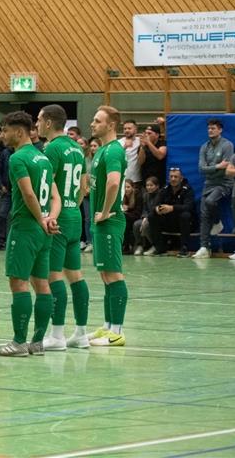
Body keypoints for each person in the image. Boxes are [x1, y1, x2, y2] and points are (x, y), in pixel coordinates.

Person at [0, 111, 57, 358]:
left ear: (18, 132)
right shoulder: (43, 159)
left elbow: (29, 194)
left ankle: (19, 342)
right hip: (43, 230)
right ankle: (37, 342)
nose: (2, 135)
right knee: (41, 284)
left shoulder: (18, 158)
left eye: (5, 130)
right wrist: (48, 219)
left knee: (18, 282)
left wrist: (39, 218)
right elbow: (52, 196)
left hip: (25, 227)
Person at [37, 104, 91, 351]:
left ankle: (57, 335)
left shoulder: (52, 149)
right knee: (75, 275)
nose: (36, 124)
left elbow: (46, 186)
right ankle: (81, 333)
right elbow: (83, 185)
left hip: (57, 217)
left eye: (39, 120)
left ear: (49, 123)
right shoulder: (77, 148)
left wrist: (48, 214)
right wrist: (72, 207)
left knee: (53, 275)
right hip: (74, 214)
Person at [88, 105, 130, 347]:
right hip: (101, 223)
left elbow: (114, 183)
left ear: (111, 125)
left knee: (114, 274)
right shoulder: (102, 151)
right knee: (105, 275)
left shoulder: (113, 151)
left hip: (110, 221)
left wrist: (105, 212)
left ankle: (117, 332)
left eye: (97, 120)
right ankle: (107, 327)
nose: (92, 124)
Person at [193, 118, 234, 258]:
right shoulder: (204, 147)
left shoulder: (227, 145)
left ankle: (217, 222)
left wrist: (212, 169)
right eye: (209, 128)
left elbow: (227, 169)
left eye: (213, 128)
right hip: (208, 184)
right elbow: (201, 168)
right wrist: (217, 166)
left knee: (210, 201)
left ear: (220, 130)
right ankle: (205, 247)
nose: (210, 130)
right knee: (204, 214)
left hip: (224, 183)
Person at [150, 167, 193, 256]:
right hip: (168, 222)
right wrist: (157, 209)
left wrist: (172, 208)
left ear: (181, 178)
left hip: (183, 223)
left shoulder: (187, 189)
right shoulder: (165, 189)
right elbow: (154, 205)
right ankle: (160, 248)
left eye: (175, 177)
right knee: (152, 216)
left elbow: (189, 207)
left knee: (185, 215)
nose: (173, 179)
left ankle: (184, 248)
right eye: (171, 176)